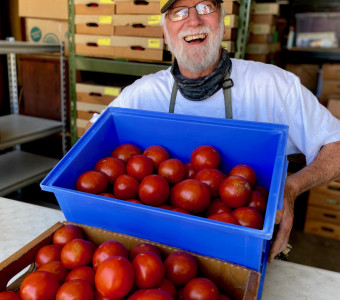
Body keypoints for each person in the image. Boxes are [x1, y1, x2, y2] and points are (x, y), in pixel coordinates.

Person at [85, 0, 340, 262]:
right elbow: (90, 139)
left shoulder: (273, 85)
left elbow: (336, 144)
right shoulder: (142, 93)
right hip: (156, 249)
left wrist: (291, 187)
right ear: (165, 33)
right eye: (178, 12)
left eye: (205, 7)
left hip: (240, 248)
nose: (193, 20)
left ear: (223, 20)